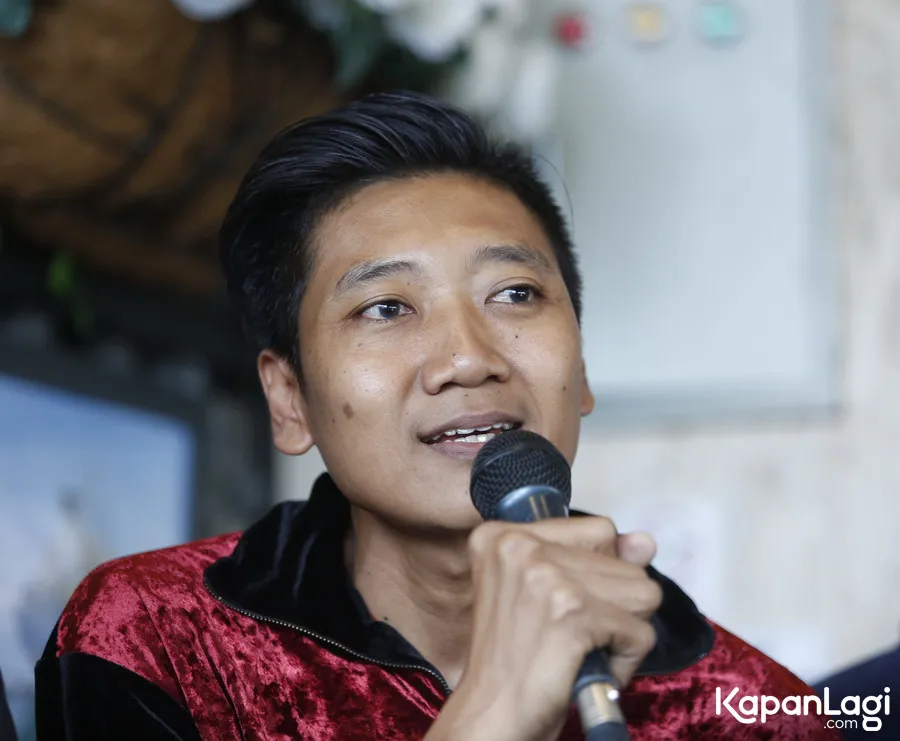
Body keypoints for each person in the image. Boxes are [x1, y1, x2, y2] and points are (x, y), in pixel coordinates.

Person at [34, 91, 839, 740]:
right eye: (386, 307)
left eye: (514, 294)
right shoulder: (153, 637)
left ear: (583, 369)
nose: (468, 357)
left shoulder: (752, 709)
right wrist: (492, 713)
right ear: (289, 398)